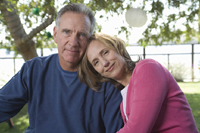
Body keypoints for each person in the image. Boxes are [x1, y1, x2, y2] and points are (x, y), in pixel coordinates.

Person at [0, 3, 124, 133]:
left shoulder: (106, 82)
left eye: (81, 35)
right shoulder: (33, 70)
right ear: (55, 34)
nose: (73, 42)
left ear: (89, 39)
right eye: (67, 32)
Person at [78, 33, 199, 133]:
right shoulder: (123, 98)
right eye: (96, 62)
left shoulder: (147, 68)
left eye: (105, 52)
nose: (104, 63)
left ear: (117, 48)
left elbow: (136, 130)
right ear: (97, 72)